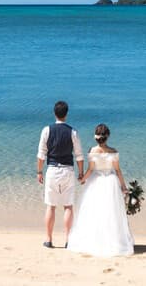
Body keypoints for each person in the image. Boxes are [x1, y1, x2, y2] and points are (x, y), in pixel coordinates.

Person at [66, 123, 135, 257]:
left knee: (94, 212)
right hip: (110, 182)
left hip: (95, 182)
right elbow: (118, 170)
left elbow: (91, 169)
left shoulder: (92, 151)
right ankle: (112, 241)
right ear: (107, 137)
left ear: (96, 137)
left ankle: (95, 240)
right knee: (111, 212)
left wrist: (82, 179)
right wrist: (124, 187)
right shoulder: (113, 152)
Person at [35, 100, 85, 249]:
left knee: (51, 206)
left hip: (52, 170)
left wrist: (39, 171)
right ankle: (68, 240)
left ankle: (49, 239)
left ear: (54, 113)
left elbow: (41, 155)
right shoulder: (73, 132)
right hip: (68, 170)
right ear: (66, 114)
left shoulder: (46, 130)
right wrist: (81, 173)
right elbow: (79, 156)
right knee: (68, 206)